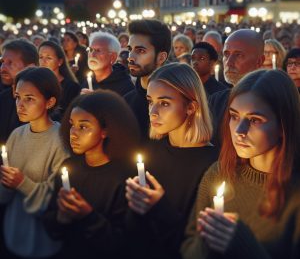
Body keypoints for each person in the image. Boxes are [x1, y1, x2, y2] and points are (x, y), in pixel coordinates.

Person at [181, 69, 300, 259]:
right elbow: (188, 249)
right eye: (234, 116)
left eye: (254, 120)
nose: (239, 131)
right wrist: (206, 242)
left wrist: (244, 246)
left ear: (283, 125)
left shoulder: (295, 196)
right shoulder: (218, 174)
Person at [125, 63, 218, 259]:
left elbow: (198, 244)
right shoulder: (150, 152)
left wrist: (159, 207)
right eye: (150, 101)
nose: (153, 111)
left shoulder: (212, 164)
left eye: (164, 103)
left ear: (191, 107)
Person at [43, 90, 140, 259]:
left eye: (83, 127)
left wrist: (87, 216)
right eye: (72, 124)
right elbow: (52, 226)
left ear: (106, 130)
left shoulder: (125, 177)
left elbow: (121, 242)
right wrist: (61, 218)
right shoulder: (68, 168)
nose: (73, 132)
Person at [0, 67, 69, 258]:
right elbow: (4, 195)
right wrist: (5, 183)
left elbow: (56, 198)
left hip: (43, 241)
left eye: (29, 98)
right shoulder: (16, 135)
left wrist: (21, 182)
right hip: (13, 233)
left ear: (50, 102)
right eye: (17, 97)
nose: (20, 105)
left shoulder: (61, 140)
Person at [209, 29, 264, 146]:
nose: (229, 62)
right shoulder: (216, 100)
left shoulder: (271, 101)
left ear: (259, 61)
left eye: (238, 55)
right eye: (226, 54)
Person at [125, 19, 171, 140]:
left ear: (161, 57)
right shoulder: (126, 101)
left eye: (140, 51)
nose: (130, 57)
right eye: (130, 49)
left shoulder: (175, 103)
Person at [0, 39, 38, 144]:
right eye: (2, 62)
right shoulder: (3, 98)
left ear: (30, 67)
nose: (2, 68)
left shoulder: (40, 103)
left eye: (10, 63)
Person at [81, 31, 134, 96]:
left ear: (113, 57)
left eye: (98, 50)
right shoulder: (88, 81)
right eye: (90, 50)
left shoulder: (125, 88)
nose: (92, 54)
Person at [38, 40, 80, 120]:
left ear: (60, 61)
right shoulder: (35, 84)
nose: (43, 61)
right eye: (41, 57)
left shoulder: (71, 87)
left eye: (48, 58)